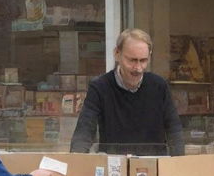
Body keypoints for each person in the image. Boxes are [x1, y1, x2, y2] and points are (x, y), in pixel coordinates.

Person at [70, 28, 184, 156]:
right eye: (132, 60)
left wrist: (178, 164)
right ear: (117, 54)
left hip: (153, 165)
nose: (138, 68)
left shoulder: (159, 86)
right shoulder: (100, 87)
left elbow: (174, 129)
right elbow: (85, 129)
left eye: (143, 60)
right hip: (115, 167)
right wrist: (77, 158)